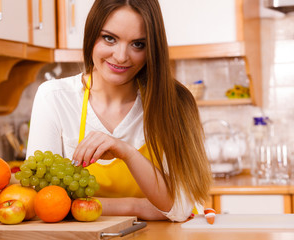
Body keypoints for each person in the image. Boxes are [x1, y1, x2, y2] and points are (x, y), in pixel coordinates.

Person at [26, 0, 212, 222]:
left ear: (152, 47)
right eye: (109, 38)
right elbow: (42, 201)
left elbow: (181, 208)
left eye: (138, 44)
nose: (122, 56)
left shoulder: (175, 103)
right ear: (91, 34)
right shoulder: (54, 98)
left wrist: (127, 152)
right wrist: (141, 207)